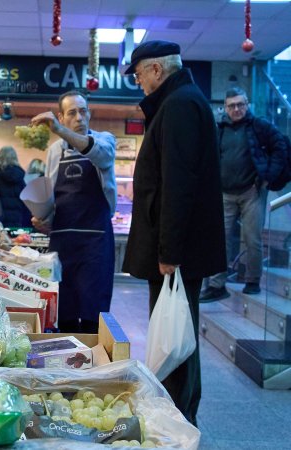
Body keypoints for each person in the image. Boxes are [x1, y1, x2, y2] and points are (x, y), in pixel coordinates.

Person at [121, 40, 227, 426]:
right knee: (177, 333)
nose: (138, 82)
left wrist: (169, 252)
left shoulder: (180, 105)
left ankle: (178, 420)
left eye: (139, 74)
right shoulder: (181, 101)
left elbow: (177, 184)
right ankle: (178, 415)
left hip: (176, 252)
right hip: (177, 248)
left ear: (157, 69)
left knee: (176, 336)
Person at [30, 90, 116, 333]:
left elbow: (102, 157)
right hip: (63, 243)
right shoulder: (54, 150)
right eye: (72, 113)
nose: (79, 117)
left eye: (83, 111)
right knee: (64, 314)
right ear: (61, 117)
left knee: (93, 316)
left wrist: (59, 130)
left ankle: (92, 356)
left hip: (95, 243)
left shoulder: (105, 140)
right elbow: (51, 192)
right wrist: (44, 218)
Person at [200, 87, 289, 302]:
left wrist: (268, 176)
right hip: (224, 193)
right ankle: (217, 285)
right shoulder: (220, 129)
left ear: (247, 104)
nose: (236, 109)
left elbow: (281, 147)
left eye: (240, 104)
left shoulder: (260, 126)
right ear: (225, 107)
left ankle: (253, 281)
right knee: (220, 241)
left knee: (252, 239)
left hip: (252, 191)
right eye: (232, 105)